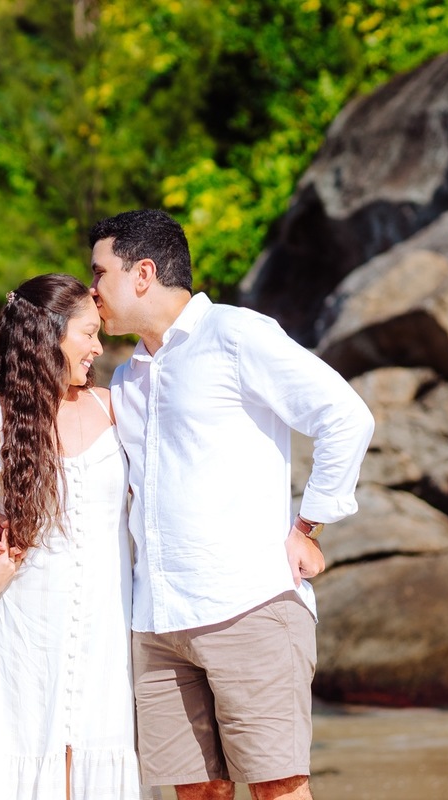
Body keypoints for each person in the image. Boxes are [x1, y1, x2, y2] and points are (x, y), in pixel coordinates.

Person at [88, 209, 375, 800]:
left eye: (99, 273)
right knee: (197, 794)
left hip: (248, 605)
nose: (92, 290)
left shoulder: (236, 334)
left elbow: (345, 416)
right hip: (157, 621)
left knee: (278, 788)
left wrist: (308, 525)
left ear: (143, 273)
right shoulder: (125, 379)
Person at [0, 273, 150, 800]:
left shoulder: (113, 407)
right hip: (24, 629)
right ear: (49, 334)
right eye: (88, 333)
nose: (99, 348)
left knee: (96, 760)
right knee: (27, 755)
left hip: (108, 628)